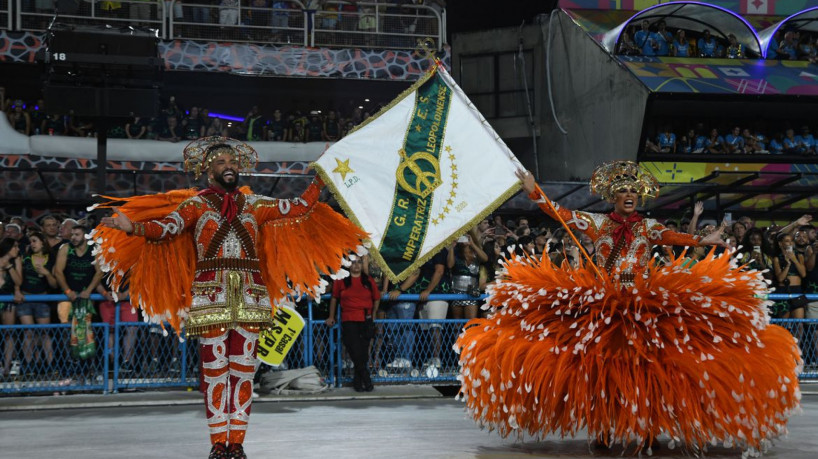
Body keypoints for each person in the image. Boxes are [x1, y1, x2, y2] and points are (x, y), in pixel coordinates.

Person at [455, 163, 801, 454]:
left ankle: (647, 427)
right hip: (605, 309)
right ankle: (604, 428)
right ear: (613, 197)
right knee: (601, 371)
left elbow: (671, 237)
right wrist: (534, 190)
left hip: (641, 309)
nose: (629, 195)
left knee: (649, 369)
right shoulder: (597, 224)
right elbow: (560, 214)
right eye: (623, 191)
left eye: (634, 191)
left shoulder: (648, 227)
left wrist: (700, 240)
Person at [95, 136, 364, 459]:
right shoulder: (195, 205)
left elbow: (300, 206)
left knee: (243, 371)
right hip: (210, 297)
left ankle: (236, 443)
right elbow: (165, 228)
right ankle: (217, 445)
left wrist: (320, 175)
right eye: (221, 162)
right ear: (208, 171)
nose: (229, 167)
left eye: (233, 162)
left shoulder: (256, 205)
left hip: (251, 297)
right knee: (214, 372)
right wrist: (132, 228)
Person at [54, 225, 104, 384]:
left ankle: (91, 370)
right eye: (72, 234)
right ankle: (68, 370)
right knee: (67, 333)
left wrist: (89, 290)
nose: (73, 237)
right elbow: (58, 272)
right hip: (69, 298)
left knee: (88, 334)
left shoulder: (93, 248)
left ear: (85, 235)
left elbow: (100, 271)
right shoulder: (65, 248)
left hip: (87, 298)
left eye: (77, 234)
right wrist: (68, 291)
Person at [325, 257, 380, 392]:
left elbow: (377, 298)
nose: (356, 265)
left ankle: (357, 382)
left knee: (363, 352)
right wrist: (331, 316)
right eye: (353, 263)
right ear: (348, 265)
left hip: (365, 319)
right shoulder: (342, 280)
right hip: (349, 319)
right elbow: (334, 298)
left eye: (359, 262)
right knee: (355, 350)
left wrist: (373, 315)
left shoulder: (368, 281)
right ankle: (366, 378)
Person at [17, 232, 57, 377]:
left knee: (45, 333)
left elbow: (54, 284)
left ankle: (50, 365)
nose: (32, 244)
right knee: (28, 333)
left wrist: (47, 273)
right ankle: (28, 366)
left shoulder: (50, 259)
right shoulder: (25, 258)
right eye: (30, 242)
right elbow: (18, 278)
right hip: (26, 299)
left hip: (42, 300)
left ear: (42, 242)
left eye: (34, 241)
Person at [0, 238, 23, 379]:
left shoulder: (16, 260)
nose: (18, 249)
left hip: (8, 300)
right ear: (8, 248)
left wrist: (9, 267)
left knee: (9, 333)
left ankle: (7, 367)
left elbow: (19, 281)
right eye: (15, 247)